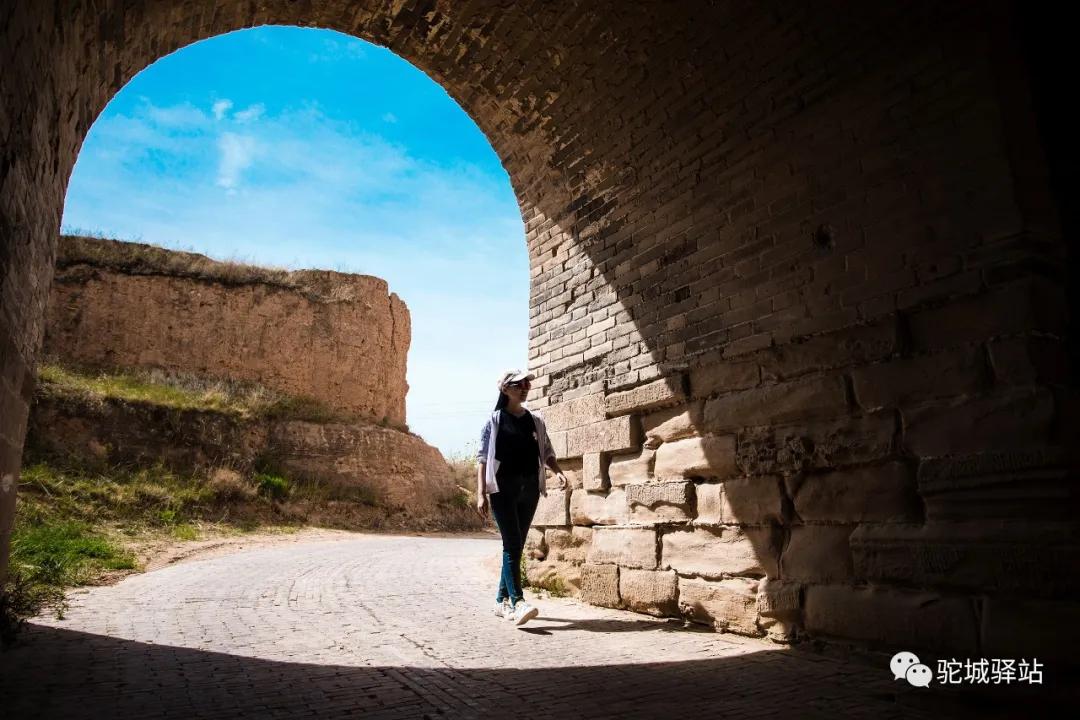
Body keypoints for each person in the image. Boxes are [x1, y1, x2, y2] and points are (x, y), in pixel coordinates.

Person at [476, 369, 568, 626]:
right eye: (519, 385)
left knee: (514, 546)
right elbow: (482, 459)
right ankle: (517, 602)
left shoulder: (535, 421)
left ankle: (500, 601)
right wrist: (481, 493)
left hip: (529, 491)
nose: (525, 388)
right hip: (501, 491)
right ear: (505, 389)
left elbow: (546, 451)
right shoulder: (494, 421)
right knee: (513, 545)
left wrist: (558, 471)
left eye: (527, 384)